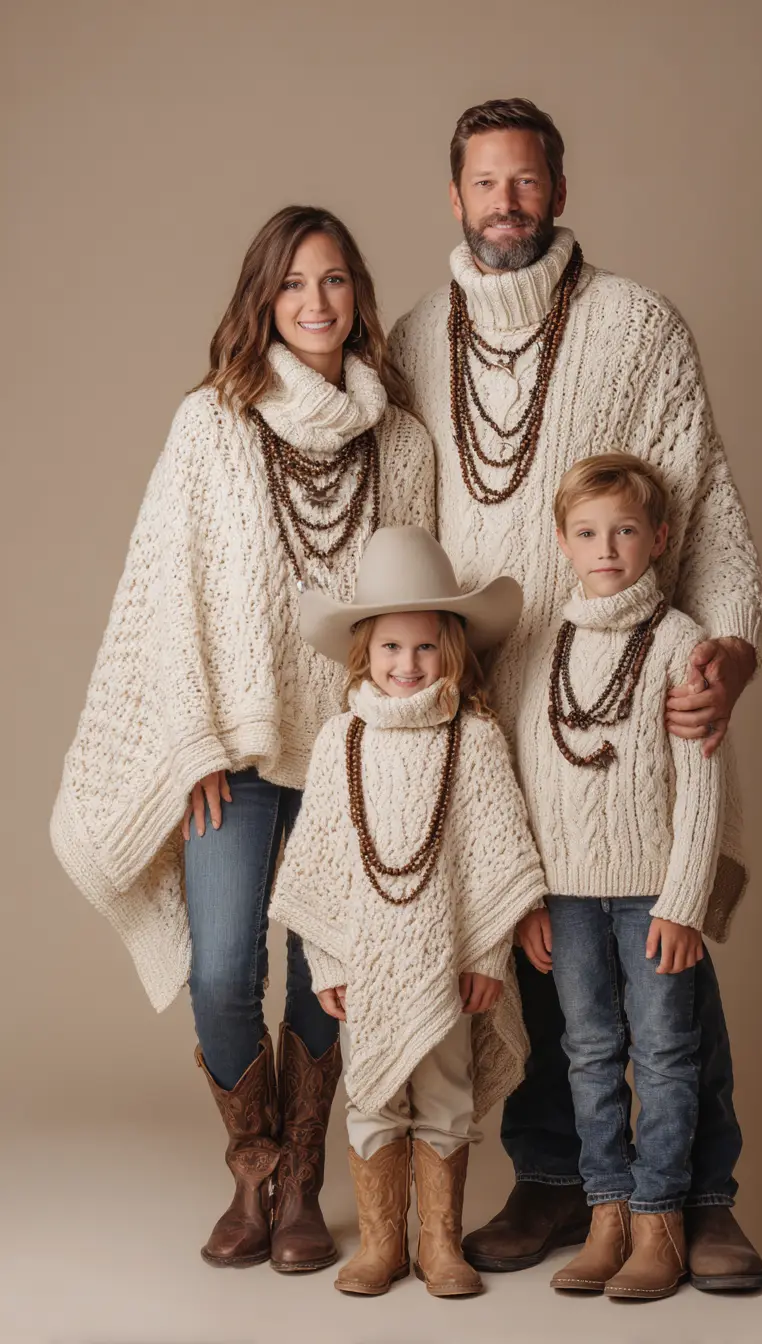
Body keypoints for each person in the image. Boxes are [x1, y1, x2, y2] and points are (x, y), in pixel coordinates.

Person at [388, 97, 762, 1289]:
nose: (506, 203)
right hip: (494, 709)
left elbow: (700, 509)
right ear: (453, 198)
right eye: (485, 183)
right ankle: (559, 1178)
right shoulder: (409, 338)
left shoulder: (635, 325)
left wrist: (726, 660)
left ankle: (698, 1199)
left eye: (527, 182)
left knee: (664, 956)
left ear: (558, 191)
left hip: (634, 685)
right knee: (545, 959)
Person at [50, 206, 435, 1273]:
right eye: (294, 285)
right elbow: (166, 594)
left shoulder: (399, 442)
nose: (316, 303)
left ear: (358, 294)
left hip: (353, 753)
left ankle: (300, 1183)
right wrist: (188, 747)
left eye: (335, 282)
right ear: (262, 301)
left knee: (324, 972)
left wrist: (394, 743)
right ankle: (253, 1164)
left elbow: (409, 605)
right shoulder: (213, 423)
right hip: (234, 748)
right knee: (224, 972)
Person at [269, 525, 547, 1298]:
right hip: (365, 961)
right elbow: (319, 863)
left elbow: (496, 850)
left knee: (446, 1092)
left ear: (452, 650)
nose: (408, 664)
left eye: (425, 648)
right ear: (365, 650)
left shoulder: (476, 739)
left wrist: (488, 954)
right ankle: (381, 1243)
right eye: (391, 648)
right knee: (372, 1093)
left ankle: (441, 1242)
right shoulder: (340, 742)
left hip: (448, 958)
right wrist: (328, 960)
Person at [516, 453, 746, 1300]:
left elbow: (701, 786)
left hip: (653, 891)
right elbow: (523, 782)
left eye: (623, 530)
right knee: (585, 1050)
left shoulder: (683, 642)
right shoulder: (543, 643)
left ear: (658, 539)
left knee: (666, 1052)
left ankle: (661, 1220)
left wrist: (684, 900)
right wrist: (526, 900)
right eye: (586, 532)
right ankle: (604, 1210)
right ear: (563, 544)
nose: (605, 546)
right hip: (567, 896)